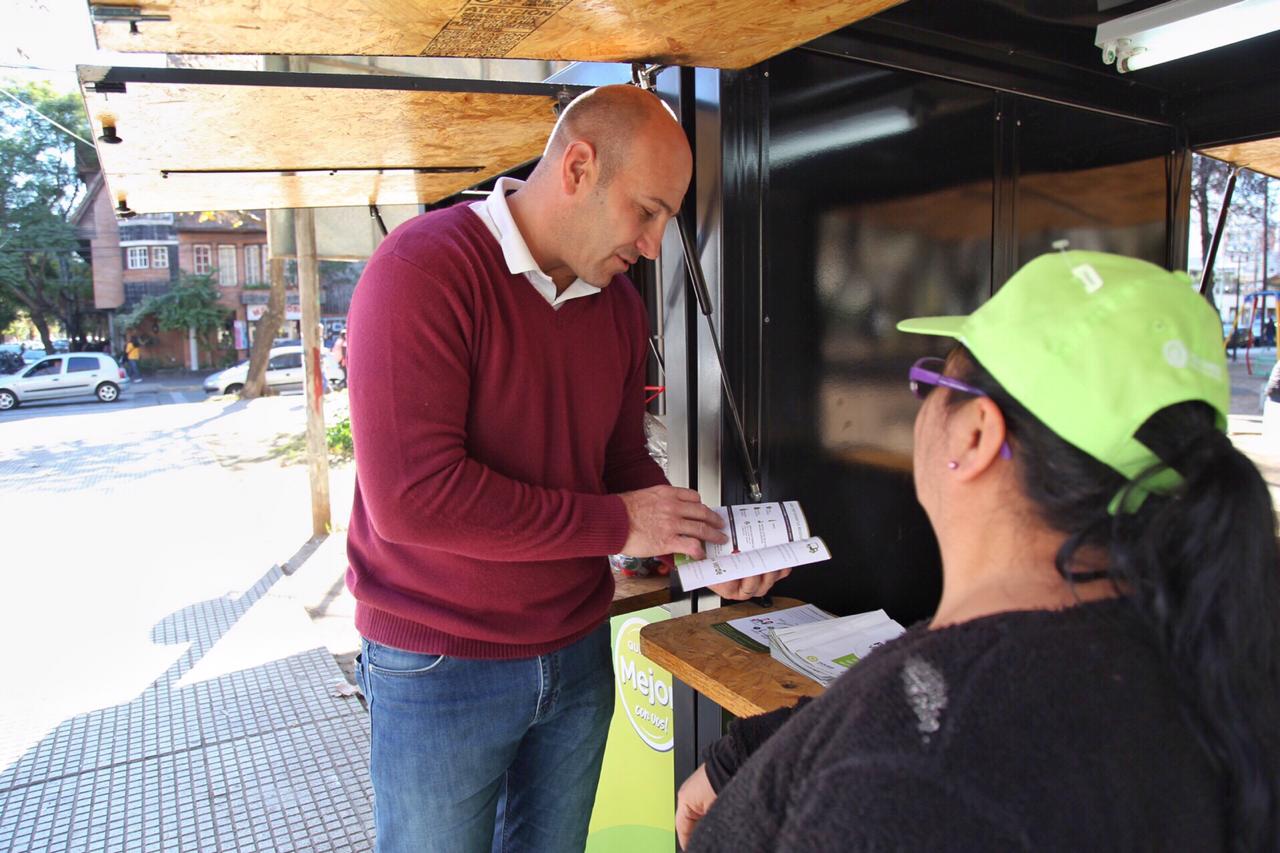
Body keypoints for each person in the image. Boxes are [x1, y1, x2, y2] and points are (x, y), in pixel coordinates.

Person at [676, 251, 1280, 851]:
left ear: (976, 435)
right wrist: (749, 757)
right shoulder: (1206, 644)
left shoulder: (911, 785)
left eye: (932, 382)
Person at [344, 84, 788, 853]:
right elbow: (413, 500)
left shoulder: (617, 307)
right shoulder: (421, 270)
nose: (653, 246)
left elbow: (615, 464)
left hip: (576, 654)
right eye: (646, 211)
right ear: (578, 166)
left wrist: (706, 548)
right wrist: (621, 521)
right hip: (440, 663)